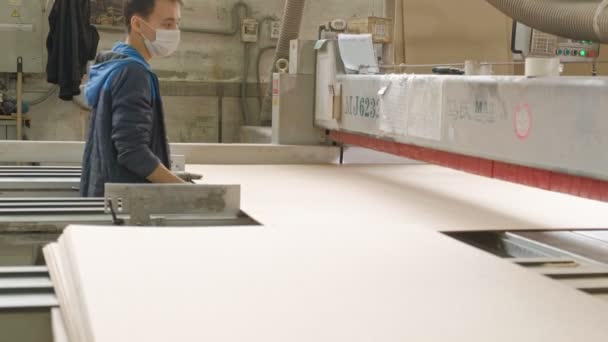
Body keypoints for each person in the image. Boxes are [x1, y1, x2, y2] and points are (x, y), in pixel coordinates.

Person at [80, 0, 200, 197]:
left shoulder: (116, 62)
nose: (174, 32)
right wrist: (183, 190)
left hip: (109, 193)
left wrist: (172, 175)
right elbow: (133, 152)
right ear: (137, 24)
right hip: (124, 203)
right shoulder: (133, 73)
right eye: (167, 24)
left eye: (177, 24)